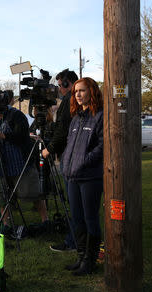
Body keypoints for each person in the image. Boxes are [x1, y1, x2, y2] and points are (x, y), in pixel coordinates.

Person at [0, 91, 47, 231]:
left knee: (32, 193)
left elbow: (23, 137)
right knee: (2, 196)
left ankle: (45, 220)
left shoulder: (16, 115)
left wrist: (4, 136)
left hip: (21, 163)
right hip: (1, 166)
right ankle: (6, 225)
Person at [62, 77, 104, 276]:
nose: (78, 95)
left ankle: (90, 261)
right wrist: (66, 163)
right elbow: (70, 144)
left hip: (90, 177)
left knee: (90, 219)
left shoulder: (100, 116)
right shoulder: (76, 117)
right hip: (72, 177)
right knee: (77, 218)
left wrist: (84, 160)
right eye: (76, 91)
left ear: (92, 92)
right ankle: (80, 257)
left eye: (82, 91)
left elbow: (103, 146)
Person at [43, 69, 79, 252]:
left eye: (60, 85)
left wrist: (49, 149)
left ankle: (74, 241)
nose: (59, 89)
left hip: (69, 155)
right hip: (72, 154)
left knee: (74, 202)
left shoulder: (69, 100)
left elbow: (62, 130)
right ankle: (78, 240)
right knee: (77, 201)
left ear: (68, 83)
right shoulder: (74, 100)